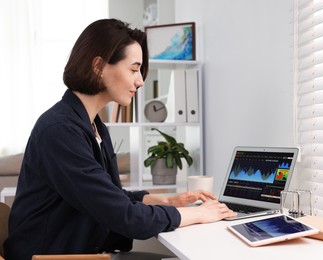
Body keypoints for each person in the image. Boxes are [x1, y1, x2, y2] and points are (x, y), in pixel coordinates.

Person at [4, 18, 236, 260]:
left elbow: (109, 195)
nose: (140, 81)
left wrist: (168, 200)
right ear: (98, 66)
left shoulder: (92, 124)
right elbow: (123, 216)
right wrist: (200, 214)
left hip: (84, 251)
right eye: (134, 69)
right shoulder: (60, 130)